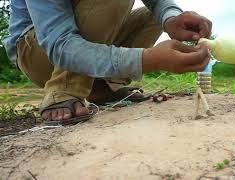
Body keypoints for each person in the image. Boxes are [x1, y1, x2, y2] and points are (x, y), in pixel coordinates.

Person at [2, 0, 212, 124]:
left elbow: (157, 3)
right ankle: (64, 89)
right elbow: (59, 42)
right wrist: (147, 60)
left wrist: (171, 17)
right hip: (37, 50)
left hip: (71, 41)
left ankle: (101, 87)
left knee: (154, 16)